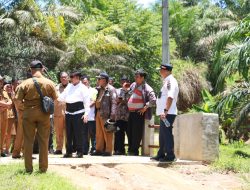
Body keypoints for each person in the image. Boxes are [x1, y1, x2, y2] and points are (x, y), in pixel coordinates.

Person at [15, 60, 57, 173]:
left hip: (28, 113)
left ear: (31, 69)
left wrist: (26, 108)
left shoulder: (24, 83)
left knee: (28, 140)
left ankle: (28, 169)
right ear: (42, 69)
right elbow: (56, 99)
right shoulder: (49, 83)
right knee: (44, 140)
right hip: (44, 114)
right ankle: (43, 169)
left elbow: (17, 102)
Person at [151, 63, 179, 162]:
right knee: (162, 134)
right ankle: (161, 154)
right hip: (164, 113)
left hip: (168, 113)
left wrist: (165, 110)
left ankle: (170, 156)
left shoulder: (171, 81)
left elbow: (170, 97)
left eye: (161, 70)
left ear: (166, 70)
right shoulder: (166, 81)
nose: (160, 72)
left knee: (166, 134)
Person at [58, 71, 90, 158]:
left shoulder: (83, 88)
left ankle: (80, 152)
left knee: (78, 133)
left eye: (72, 77)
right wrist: (56, 94)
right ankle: (69, 151)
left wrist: (86, 114)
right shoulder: (69, 87)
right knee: (69, 133)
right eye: (70, 77)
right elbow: (61, 97)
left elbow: (87, 102)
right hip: (68, 112)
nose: (70, 79)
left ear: (77, 78)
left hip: (78, 112)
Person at [126, 69, 156, 156]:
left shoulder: (147, 87)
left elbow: (153, 100)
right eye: (135, 76)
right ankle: (130, 149)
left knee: (136, 132)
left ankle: (134, 151)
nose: (135, 78)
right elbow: (129, 94)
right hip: (130, 112)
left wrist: (145, 107)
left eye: (137, 76)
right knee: (129, 131)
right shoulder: (133, 85)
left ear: (142, 78)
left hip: (139, 113)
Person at [91, 72, 117, 156]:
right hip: (98, 112)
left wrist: (112, 116)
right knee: (99, 133)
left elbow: (114, 102)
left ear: (104, 80)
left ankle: (109, 151)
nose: (98, 80)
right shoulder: (98, 89)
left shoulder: (111, 89)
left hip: (106, 114)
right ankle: (99, 149)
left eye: (99, 79)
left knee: (108, 132)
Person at [114, 75, 130, 155]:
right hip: (119, 116)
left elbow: (130, 101)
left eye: (125, 81)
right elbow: (115, 100)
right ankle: (119, 150)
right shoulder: (117, 90)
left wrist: (126, 91)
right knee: (118, 133)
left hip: (128, 116)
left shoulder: (131, 91)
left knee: (129, 134)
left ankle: (130, 150)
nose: (124, 83)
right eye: (122, 81)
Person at [81, 75, 98, 154]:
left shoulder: (94, 91)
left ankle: (94, 149)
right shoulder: (80, 91)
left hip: (91, 116)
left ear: (88, 82)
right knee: (84, 134)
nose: (84, 84)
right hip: (82, 116)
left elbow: (93, 101)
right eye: (83, 82)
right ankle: (85, 149)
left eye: (85, 82)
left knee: (92, 134)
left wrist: (85, 106)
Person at [54, 72, 69, 155]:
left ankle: (68, 148)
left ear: (68, 78)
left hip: (69, 113)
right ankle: (59, 148)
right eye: (62, 77)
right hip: (58, 112)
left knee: (69, 132)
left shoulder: (71, 87)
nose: (63, 78)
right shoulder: (56, 88)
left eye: (65, 77)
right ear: (60, 78)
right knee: (58, 132)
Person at [3, 81, 17, 155]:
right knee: (3, 133)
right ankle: (2, 148)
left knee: (9, 134)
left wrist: (13, 95)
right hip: (3, 115)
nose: (9, 88)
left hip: (11, 116)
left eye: (10, 87)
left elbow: (15, 104)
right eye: (7, 86)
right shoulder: (3, 93)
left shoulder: (12, 94)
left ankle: (7, 150)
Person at [0, 75, 12, 157]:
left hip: (4, 115)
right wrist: (5, 104)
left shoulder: (4, 92)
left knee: (4, 133)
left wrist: (6, 105)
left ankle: (1, 150)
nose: (1, 82)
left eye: (1, 81)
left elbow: (10, 101)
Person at [12, 79, 24, 159]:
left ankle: (25, 152)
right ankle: (16, 152)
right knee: (20, 135)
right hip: (22, 116)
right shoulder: (15, 94)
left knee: (26, 136)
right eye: (17, 83)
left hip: (24, 115)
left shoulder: (20, 92)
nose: (19, 84)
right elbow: (19, 105)